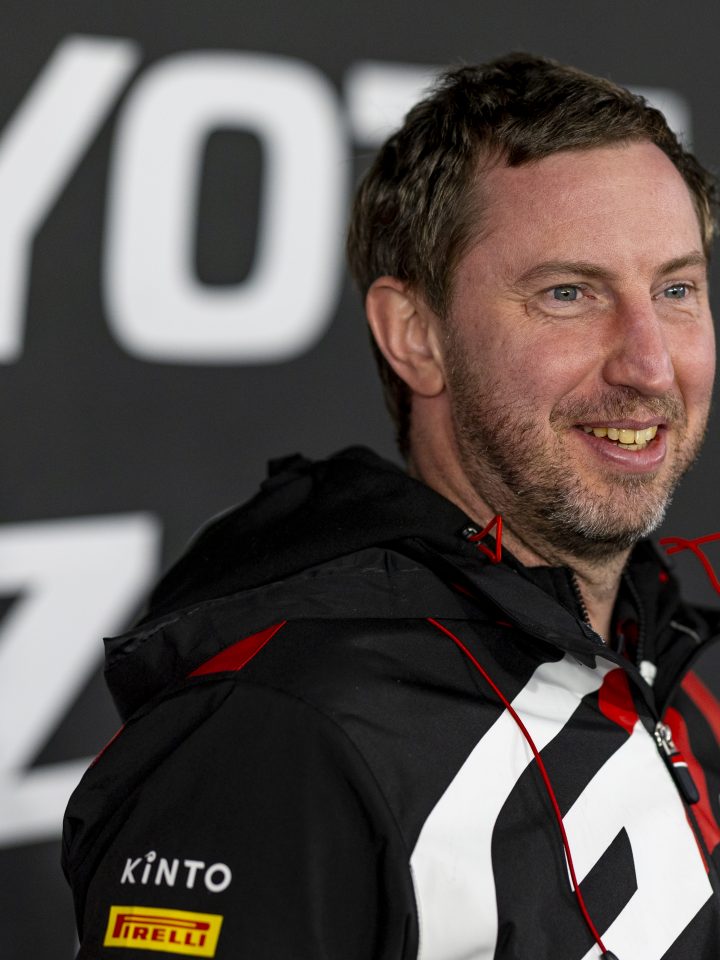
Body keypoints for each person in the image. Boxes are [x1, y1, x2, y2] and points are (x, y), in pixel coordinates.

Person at [63, 53, 720, 959]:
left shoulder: (674, 653)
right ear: (416, 336)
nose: (649, 364)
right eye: (569, 294)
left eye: (676, 289)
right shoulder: (279, 731)